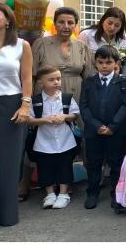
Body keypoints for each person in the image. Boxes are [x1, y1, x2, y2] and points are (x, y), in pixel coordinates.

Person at [0, 2, 32, 228]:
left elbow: (27, 77)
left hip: (10, 104)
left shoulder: (21, 45)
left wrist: (25, 106)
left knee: (9, 160)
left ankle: (6, 216)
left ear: (7, 20)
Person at [79, 45, 126, 210]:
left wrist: (112, 126)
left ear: (116, 63)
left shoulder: (124, 82)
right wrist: (97, 126)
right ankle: (92, 193)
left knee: (116, 163)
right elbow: (84, 106)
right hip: (94, 131)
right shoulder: (88, 82)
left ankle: (117, 194)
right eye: (100, 62)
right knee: (94, 163)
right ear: (95, 63)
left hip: (115, 132)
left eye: (108, 62)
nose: (104, 66)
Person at [28, 65, 80, 210]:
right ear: (41, 82)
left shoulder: (67, 98)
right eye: (51, 80)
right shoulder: (35, 100)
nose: (56, 82)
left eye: (58, 79)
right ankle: (50, 194)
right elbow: (29, 119)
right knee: (45, 167)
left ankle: (63, 194)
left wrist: (64, 117)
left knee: (65, 166)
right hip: (43, 141)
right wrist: (44, 120)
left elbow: (75, 114)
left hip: (65, 140)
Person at [31, 7, 95, 100]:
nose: (66, 26)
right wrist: (28, 100)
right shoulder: (41, 44)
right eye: (61, 22)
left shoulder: (82, 47)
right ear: (54, 24)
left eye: (70, 23)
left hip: (75, 98)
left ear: (75, 25)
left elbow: (89, 77)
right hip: (45, 99)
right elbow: (30, 76)